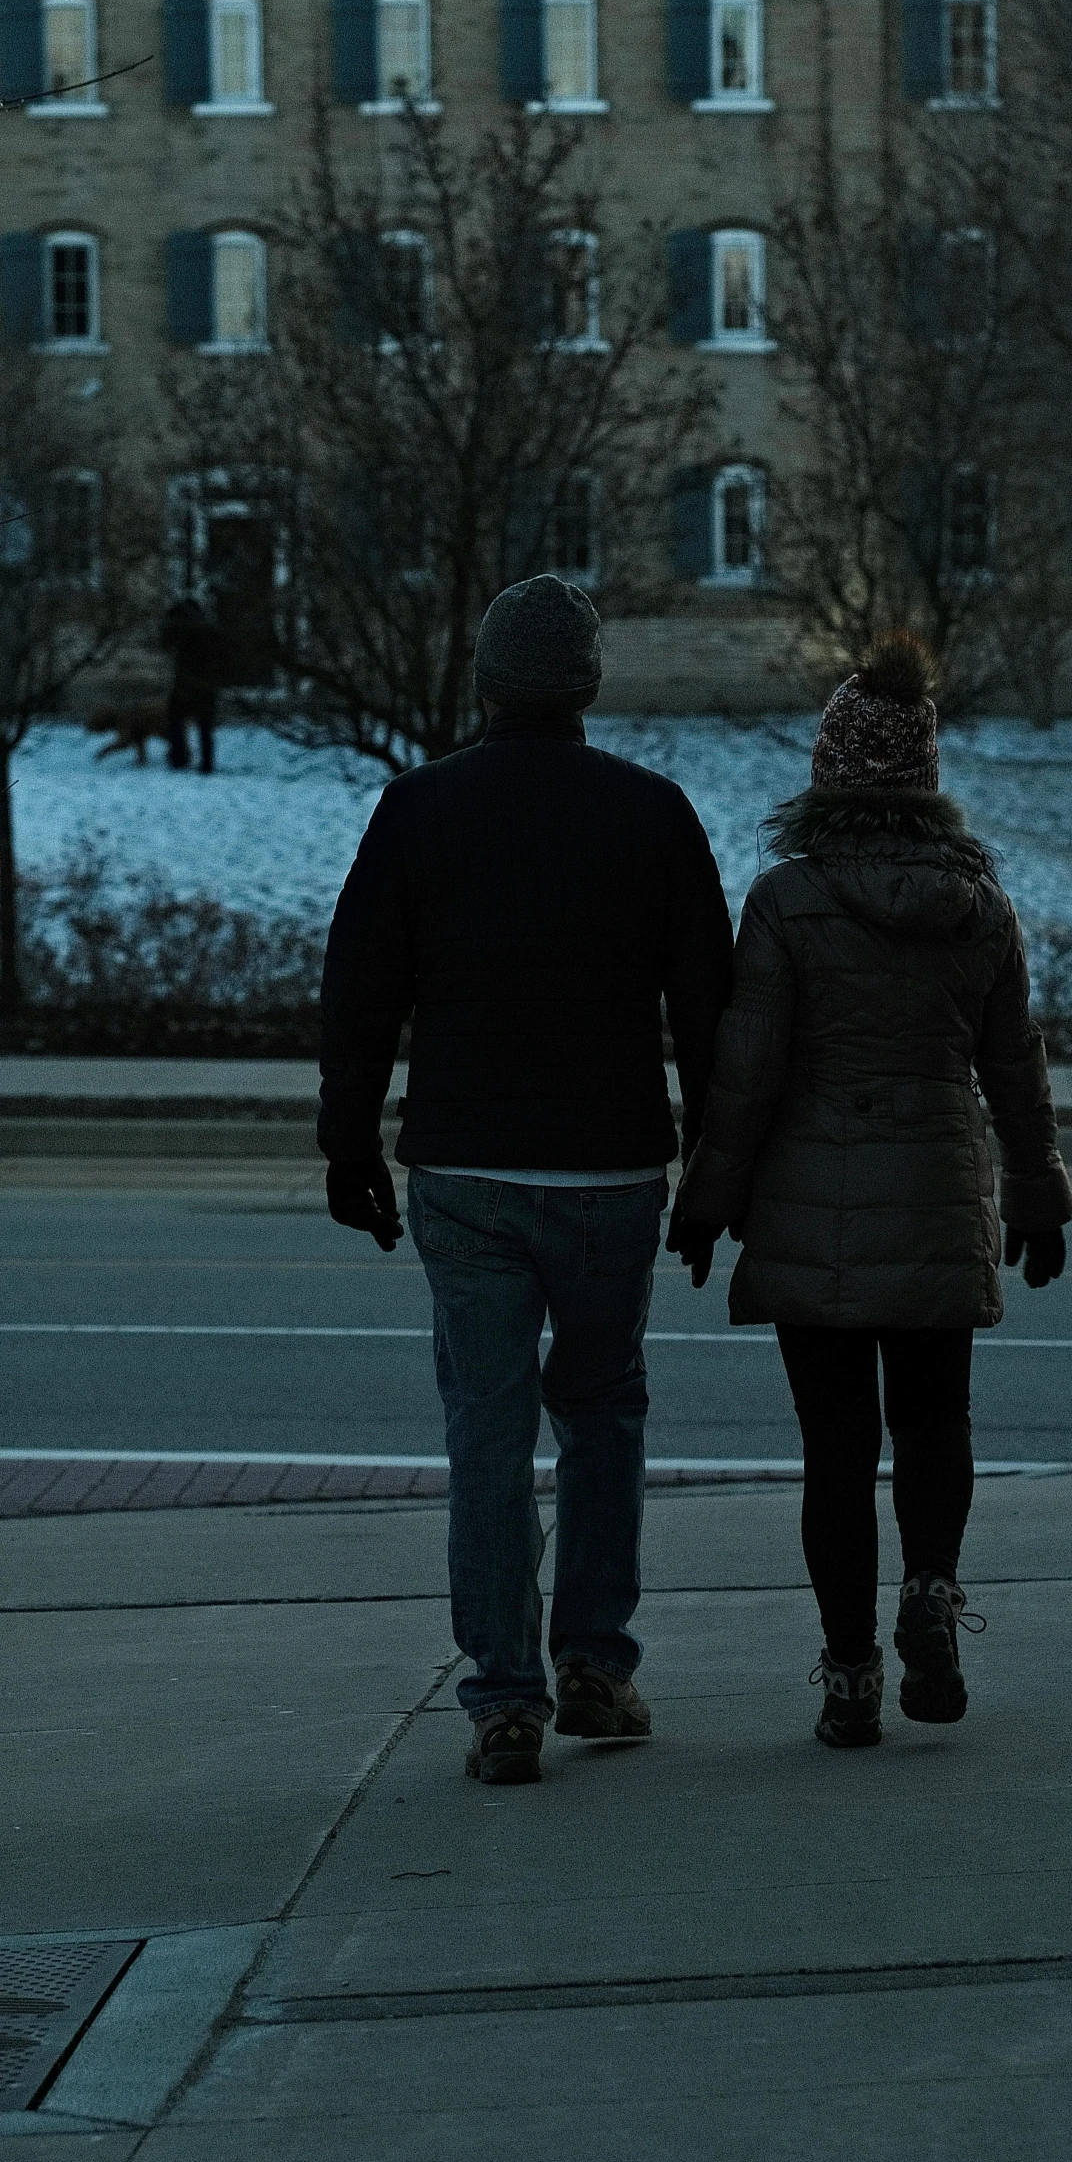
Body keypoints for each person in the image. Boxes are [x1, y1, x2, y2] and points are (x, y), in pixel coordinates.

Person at [317, 576, 733, 1786]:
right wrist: (713, 1167)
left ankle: (504, 1696)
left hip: (464, 1162)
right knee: (601, 1411)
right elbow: (707, 1010)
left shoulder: (419, 808)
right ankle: (597, 1659)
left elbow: (361, 991)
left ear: (485, 683)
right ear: (589, 686)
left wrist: (348, 1142)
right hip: (610, 1167)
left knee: (486, 1433)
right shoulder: (652, 814)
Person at [668, 631, 1072, 1750]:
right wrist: (1037, 1193)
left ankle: (849, 1679)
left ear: (829, 768)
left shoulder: (788, 898)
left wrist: (706, 1197)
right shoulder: (977, 904)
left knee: (835, 1448)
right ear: (925, 779)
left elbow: (744, 1070)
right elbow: (1013, 1063)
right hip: (941, 1187)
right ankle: (932, 1590)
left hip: (814, 1199)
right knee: (936, 1418)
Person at [160, 593, 224, 774]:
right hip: (207, 684)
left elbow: (166, 642)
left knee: (175, 719)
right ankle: (206, 763)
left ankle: (180, 757)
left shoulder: (182, 628)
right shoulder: (210, 629)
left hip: (186, 685)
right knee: (205, 726)